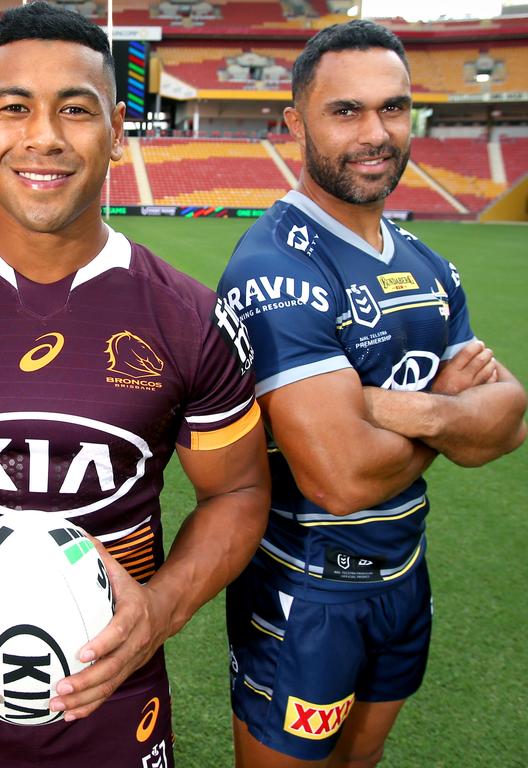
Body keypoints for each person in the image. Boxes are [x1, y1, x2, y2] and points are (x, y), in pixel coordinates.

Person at [0, 4, 270, 767]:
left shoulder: (191, 318)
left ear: (119, 129)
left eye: (76, 109)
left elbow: (236, 494)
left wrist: (160, 608)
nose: (43, 136)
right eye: (14, 108)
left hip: (120, 702)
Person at [216, 19, 527, 768]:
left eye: (392, 108)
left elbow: (510, 420)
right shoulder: (273, 269)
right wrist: (455, 417)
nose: (376, 132)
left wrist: (403, 406)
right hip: (307, 591)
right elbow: (341, 478)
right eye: (346, 110)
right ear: (296, 123)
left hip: (403, 574)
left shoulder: (429, 265)